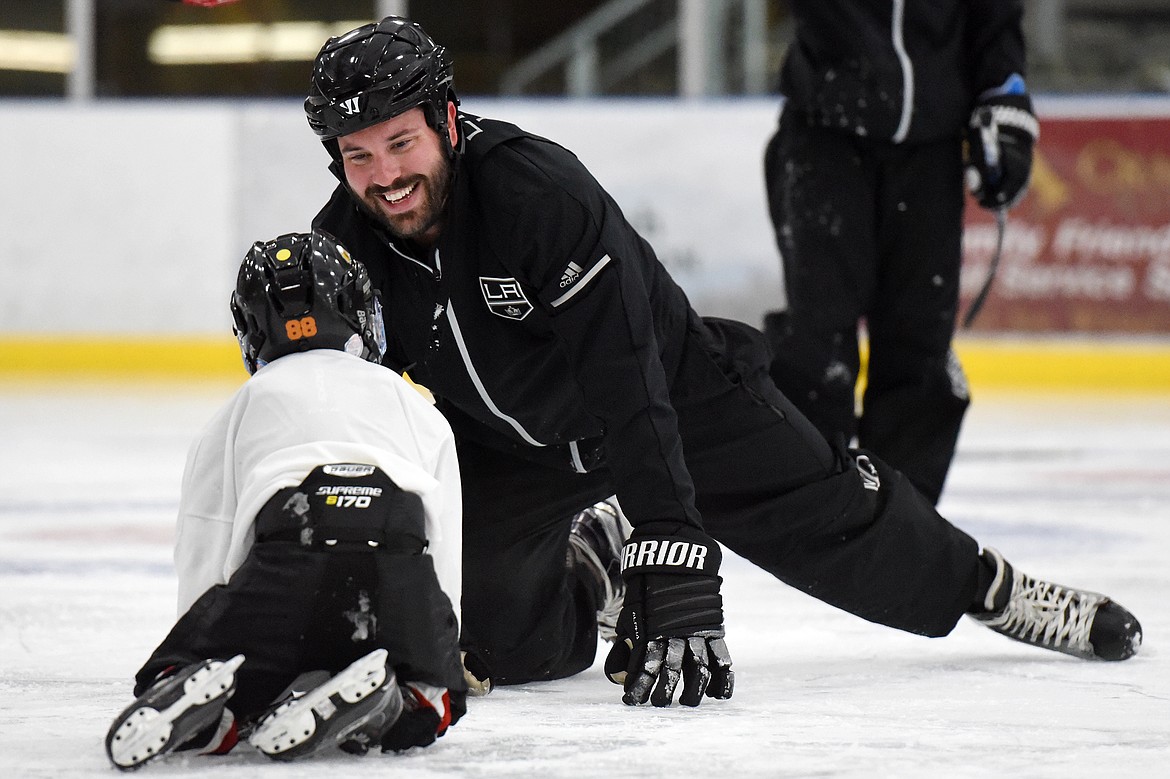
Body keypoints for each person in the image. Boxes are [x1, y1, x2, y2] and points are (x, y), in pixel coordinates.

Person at [305, 17, 1140, 709]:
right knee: (496, 644)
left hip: (676, 389)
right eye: (359, 156)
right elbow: (353, 412)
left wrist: (669, 533)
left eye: (400, 144)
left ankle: (993, 587)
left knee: (837, 519)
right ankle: (591, 572)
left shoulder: (536, 195)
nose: (386, 178)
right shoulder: (346, 245)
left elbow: (626, 369)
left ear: (446, 122)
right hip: (509, 450)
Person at [105, 231, 467, 770]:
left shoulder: (240, 408)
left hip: (288, 549)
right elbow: (445, 552)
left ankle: (220, 713)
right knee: (434, 702)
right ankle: (393, 699)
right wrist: (437, 655)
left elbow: (206, 544)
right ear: (361, 311)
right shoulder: (415, 408)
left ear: (250, 329)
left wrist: (200, 642)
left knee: (223, 666)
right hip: (396, 554)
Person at [761, 0, 1039, 505]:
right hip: (823, 132)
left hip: (931, 148)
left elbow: (995, 17)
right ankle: (802, 503)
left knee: (918, 340)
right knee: (817, 340)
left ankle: (900, 519)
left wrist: (1005, 98)